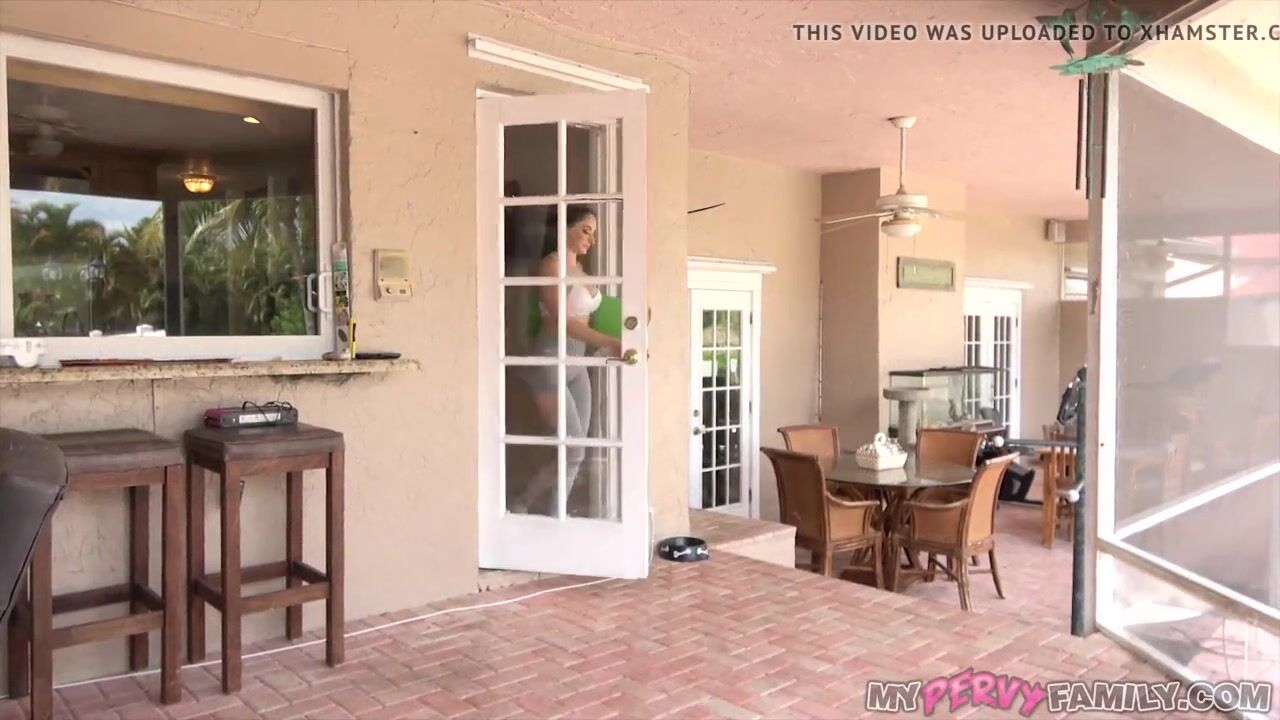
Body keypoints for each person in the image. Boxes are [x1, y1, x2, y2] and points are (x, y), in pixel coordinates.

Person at [512, 206, 620, 514]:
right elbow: (563, 321)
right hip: (552, 359)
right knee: (573, 449)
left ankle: (552, 511)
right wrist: (611, 342)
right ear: (563, 227)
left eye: (593, 233)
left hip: (578, 361)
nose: (592, 239)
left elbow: (590, 318)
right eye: (586, 230)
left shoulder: (581, 270)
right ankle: (528, 504)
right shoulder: (550, 266)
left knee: (577, 449)